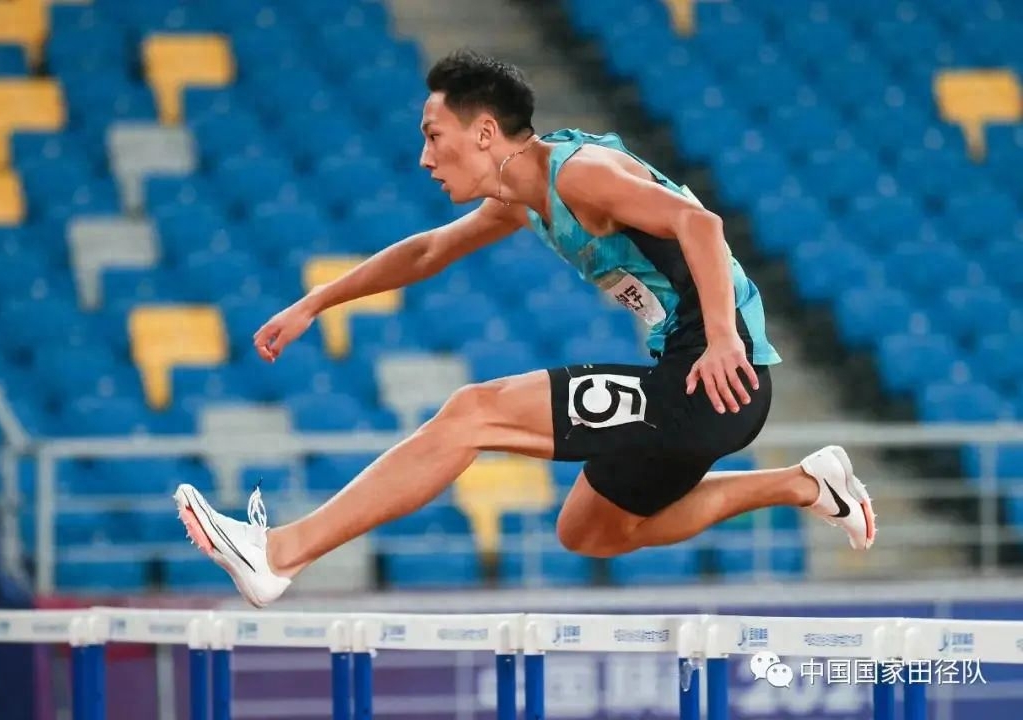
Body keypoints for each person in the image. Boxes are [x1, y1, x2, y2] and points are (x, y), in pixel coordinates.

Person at [173, 49, 876, 608]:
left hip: (713, 377)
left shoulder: (579, 175)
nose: (424, 158)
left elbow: (700, 223)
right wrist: (316, 301)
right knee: (592, 532)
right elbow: (428, 251)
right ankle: (804, 484)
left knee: (472, 413)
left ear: (484, 133)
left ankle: (281, 554)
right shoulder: (523, 194)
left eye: (433, 137)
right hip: (693, 380)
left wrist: (723, 338)